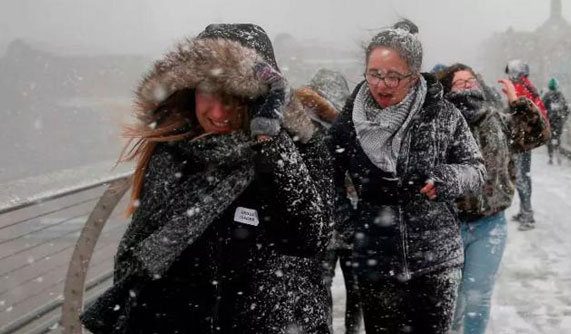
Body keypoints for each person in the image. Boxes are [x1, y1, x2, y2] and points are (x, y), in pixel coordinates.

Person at [80, 23, 334, 334]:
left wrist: (270, 139)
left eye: (235, 97)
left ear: (261, 97)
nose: (218, 112)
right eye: (208, 94)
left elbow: (308, 236)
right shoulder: (174, 149)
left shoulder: (301, 149)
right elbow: (141, 256)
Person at [328, 19, 486, 334]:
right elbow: (327, 177)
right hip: (376, 260)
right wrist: (351, 226)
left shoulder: (442, 114)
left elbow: (476, 169)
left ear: (413, 77)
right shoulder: (348, 121)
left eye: (393, 76)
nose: (382, 84)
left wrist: (446, 179)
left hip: (436, 260)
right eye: (374, 74)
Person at [436, 63, 550, 334]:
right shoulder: (440, 124)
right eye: (459, 82)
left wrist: (518, 104)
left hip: (489, 225)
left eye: (470, 80)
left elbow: (539, 135)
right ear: (447, 89)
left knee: (477, 295)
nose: (466, 85)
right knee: (452, 299)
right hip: (448, 225)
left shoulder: (497, 120)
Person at [298, 68, 363, 334]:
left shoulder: (350, 127)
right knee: (331, 287)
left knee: (329, 287)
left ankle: (343, 329)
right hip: (332, 224)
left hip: (338, 222)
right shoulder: (304, 130)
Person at [505, 59, 548, 231]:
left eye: (510, 71)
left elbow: (523, 112)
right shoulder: (527, 85)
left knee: (522, 177)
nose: (509, 75)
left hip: (522, 139)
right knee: (524, 176)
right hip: (525, 139)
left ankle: (527, 215)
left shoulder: (522, 87)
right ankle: (524, 211)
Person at [542, 77, 570, 165]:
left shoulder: (547, 96)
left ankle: (550, 157)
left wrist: (545, 118)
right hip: (559, 121)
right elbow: (566, 109)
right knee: (557, 137)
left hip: (549, 121)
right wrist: (564, 118)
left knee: (549, 139)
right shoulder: (560, 95)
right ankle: (558, 153)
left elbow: (542, 108)